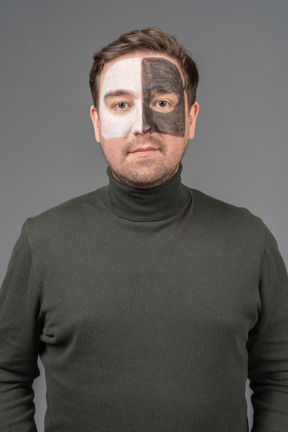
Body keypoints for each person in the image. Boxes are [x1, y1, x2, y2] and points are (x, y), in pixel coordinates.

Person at [0, 27, 287, 432]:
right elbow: (5, 375)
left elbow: (281, 379)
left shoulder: (250, 239)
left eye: (163, 101)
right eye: (121, 104)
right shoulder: (42, 240)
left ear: (190, 119)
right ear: (97, 122)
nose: (143, 125)